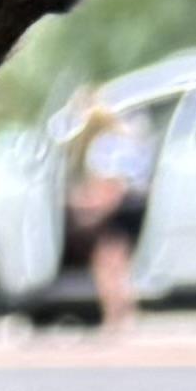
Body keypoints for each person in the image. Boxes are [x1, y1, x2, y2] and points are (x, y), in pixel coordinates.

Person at [63, 89, 158, 336]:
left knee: (107, 264)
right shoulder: (128, 140)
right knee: (121, 264)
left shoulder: (104, 145)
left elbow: (109, 187)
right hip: (136, 205)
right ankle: (126, 316)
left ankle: (115, 317)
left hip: (120, 209)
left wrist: (88, 213)